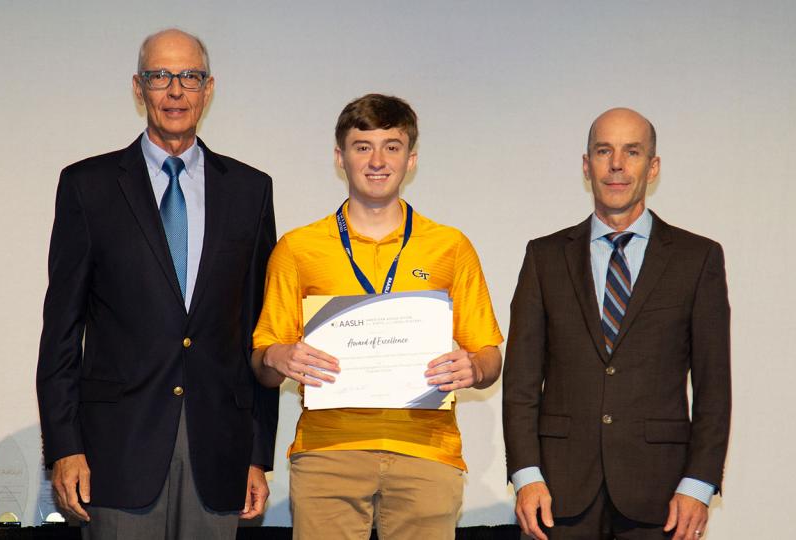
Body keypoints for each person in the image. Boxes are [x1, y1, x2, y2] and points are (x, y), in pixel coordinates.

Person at [36, 28, 278, 539]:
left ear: (208, 89)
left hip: (219, 452)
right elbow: (61, 331)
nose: (175, 91)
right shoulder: (88, 186)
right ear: (138, 87)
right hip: (117, 451)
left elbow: (259, 329)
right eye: (160, 76)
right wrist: (64, 446)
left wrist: (258, 454)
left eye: (189, 77)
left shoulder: (251, 192)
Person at [250, 94, 502, 540]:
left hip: (427, 454)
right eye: (362, 146)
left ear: (412, 159)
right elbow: (262, 363)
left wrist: (473, 366)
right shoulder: (297, 248)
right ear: (340, 157)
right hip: (328, 452)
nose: (378, 160)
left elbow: (489, 359)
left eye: (392, 146)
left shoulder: (450, 246)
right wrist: (277, 357)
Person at [503, 108, 731, 540]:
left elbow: (714, 387)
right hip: (557, 492)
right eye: (604, 151)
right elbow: (520, 384)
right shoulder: (544, 257)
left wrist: (698, 485)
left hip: (661, 495)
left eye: (632, 151)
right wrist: (526, 475)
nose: (617, 165)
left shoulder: (697, 259)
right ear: (586, 165)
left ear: (653, 165)